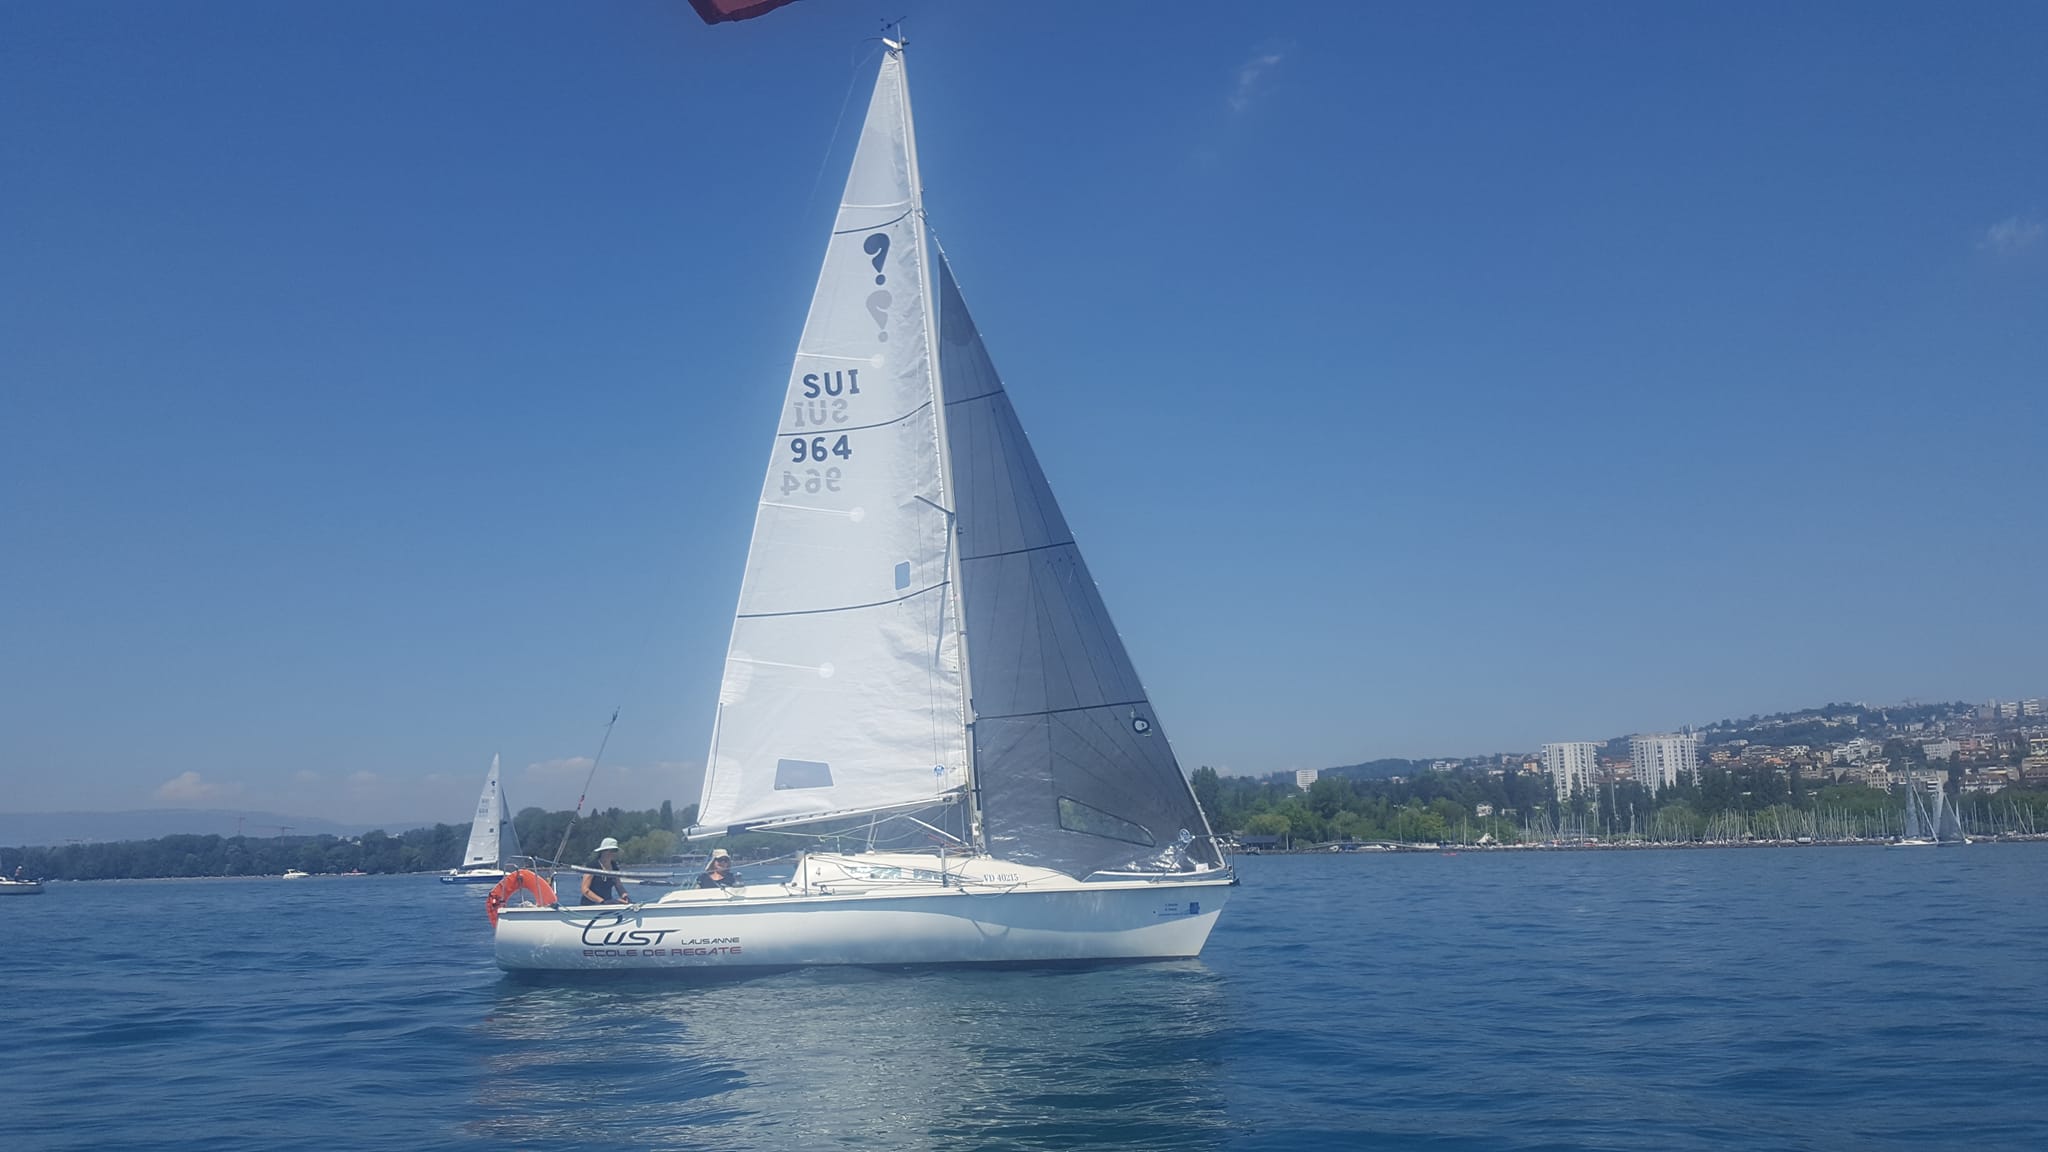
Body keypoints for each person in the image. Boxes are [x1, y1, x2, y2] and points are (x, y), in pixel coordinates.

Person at [580, 837, 631, 905]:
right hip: (589, 905)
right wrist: (602, 901)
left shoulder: (614, 867)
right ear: (603, 851)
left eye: (615, 850)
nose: (613, 853)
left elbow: (618, 885)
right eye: (611, 850)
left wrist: (624, 895)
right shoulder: (592, 866)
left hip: (607, 904)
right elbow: (584, 889)